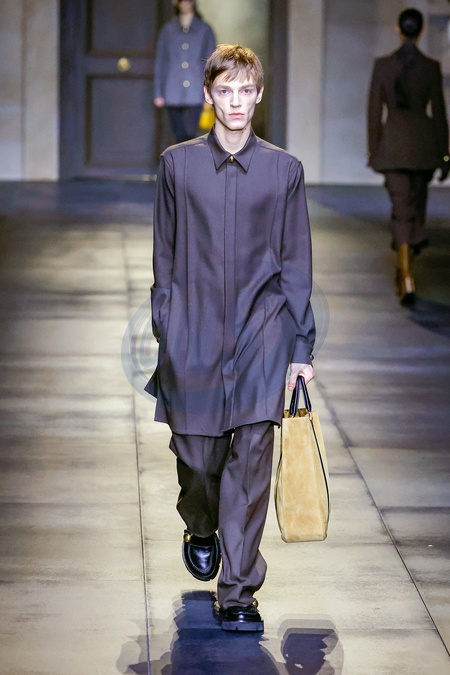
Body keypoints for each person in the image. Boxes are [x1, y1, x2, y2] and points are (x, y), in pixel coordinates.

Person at [145, 44, 315, 633]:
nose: (236, 102)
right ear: (208, 94)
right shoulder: (178, 165)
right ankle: (200, 526)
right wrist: (166, 321)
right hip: (192, 331)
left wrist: (300, 349)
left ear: (259, 95)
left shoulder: (284, 171)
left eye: (246, 91)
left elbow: (296, 263)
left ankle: (239, 590)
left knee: (250, 464)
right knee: (196, 459)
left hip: (263, 332)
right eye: (225, 91)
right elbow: (164, 253)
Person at [367, 7, 449, 305]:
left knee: (402, 209)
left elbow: (374, 110)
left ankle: (406, 273)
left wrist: (374, 147)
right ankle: (406, 272)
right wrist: (444, 153)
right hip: (423, 147)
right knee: (413, 208)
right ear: (422, 30)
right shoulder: (430, 67)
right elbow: (438, 113)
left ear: (398, 30)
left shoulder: (383, 65)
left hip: (393, 146)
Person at [153, 0, 216, 143]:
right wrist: (158, 92)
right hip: (172, 89)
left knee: (191, 133)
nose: (185, 3)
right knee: (178, 133)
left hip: (196, 89)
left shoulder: (205, 29)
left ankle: (188, 157)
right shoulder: (168, 30)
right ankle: (182, 157)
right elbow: (161, 61)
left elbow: (211, 63)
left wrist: (209, 92)